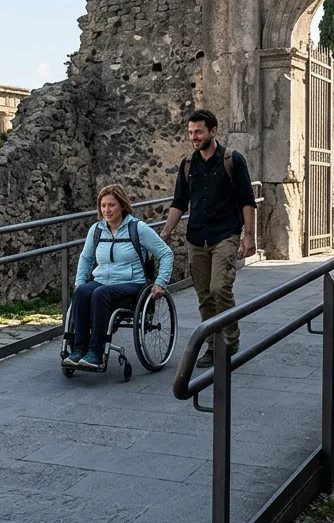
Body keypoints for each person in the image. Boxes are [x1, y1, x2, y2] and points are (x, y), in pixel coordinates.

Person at [161, 109, 257, 368]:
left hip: (225, 235)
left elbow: (247, 200)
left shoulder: (232, 160)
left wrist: (249, 236)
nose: (194, 137)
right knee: (204, 295)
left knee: (219, 288)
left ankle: (230, 340)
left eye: (199, 132)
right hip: (196, 238)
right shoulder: (188, 164)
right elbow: (179, 202)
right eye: (191, 132)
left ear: (213, 131)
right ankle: (214, 345)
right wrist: (166, 233)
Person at [66, 184, 173, 369]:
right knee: (82, 292)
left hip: (132, 284)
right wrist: (79, 281)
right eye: (103, 205)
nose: (107, 210)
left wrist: (160, 282)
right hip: (102, 281)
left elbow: (166, 253)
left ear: (122, 205)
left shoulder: (137, 228)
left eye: (111, 205)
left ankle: (96, 353)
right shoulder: (97, 230)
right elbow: (86, 258)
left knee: (101, 294)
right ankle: (78, 349)